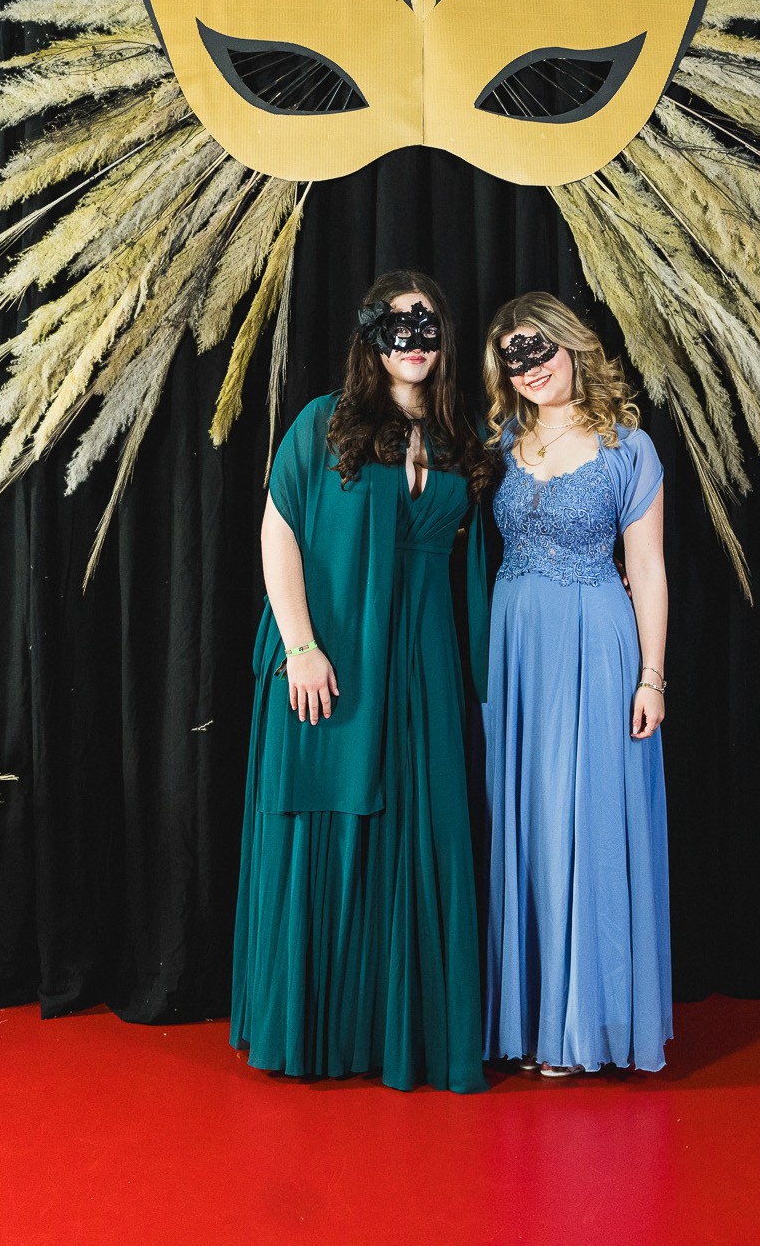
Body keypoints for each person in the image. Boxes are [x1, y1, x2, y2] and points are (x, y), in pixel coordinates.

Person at [230, 270, 494, 1093]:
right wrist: (300, 646)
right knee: (329, 826)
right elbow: (278, 532)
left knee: (424, 830)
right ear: (372, 338)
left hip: (425, 664)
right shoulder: (325, 423)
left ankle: (406, 1035)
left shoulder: (460, 437)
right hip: (332, 655)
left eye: (428, 326)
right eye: (397, 326)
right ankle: (319, 1032)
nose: (414, 342)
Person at [479, 291, 671, 1076]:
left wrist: (652, 677)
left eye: (539, 349)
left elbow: (647, 568)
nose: (529, 369)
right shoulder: (500, 442)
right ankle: (527, 1022)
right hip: (516, 650)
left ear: (572, 347)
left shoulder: (629, 447)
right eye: (513, 358)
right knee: (524, 822)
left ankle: (579, 1026)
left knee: (584, 822)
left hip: (595, 646)